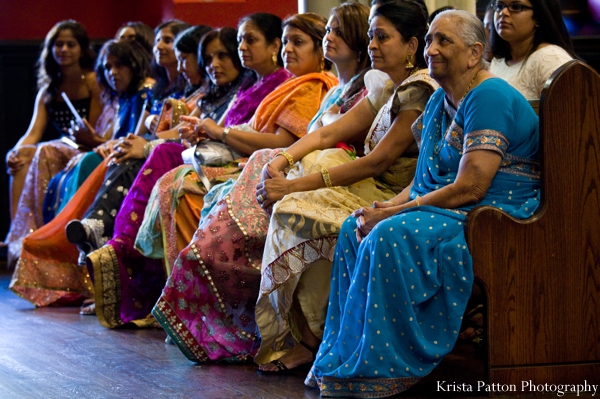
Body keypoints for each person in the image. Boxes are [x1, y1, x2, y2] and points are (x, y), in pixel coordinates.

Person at [306, 10, 541, 398]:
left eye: (444, 41)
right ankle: (347, 357)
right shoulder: (441, 101)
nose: (431, 48)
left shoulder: (489, 96)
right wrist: (385, 207)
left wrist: (396, 214)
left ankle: (381, 369)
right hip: (454, 208)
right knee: (356, 224)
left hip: (494, 216)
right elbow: (422, 182)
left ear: (474, 53)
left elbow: (472, 186)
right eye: (430, 39)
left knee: (388, 234)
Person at [254, 0, 438, 373]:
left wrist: (292, 187)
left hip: (393, 197)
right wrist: (281, 161)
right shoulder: (388, 86)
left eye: (382, 36)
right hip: (370, 186)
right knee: (299, 193)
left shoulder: (419, 89)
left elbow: (377, 162)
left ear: (412, 46)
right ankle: (309, 335)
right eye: (371, 35)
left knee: (296, 211)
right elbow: (328, 132)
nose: (372, 44)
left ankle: (316, 337)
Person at [150, 11, 343, 362]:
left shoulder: (315, 85)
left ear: (321, 49)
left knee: (182, 184)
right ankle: (194, 311)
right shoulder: (288, 84)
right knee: (175, 182)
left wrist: (221, 134)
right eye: (286, 41)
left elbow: (286, 141)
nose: (288, 50)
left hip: (286, 168)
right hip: (262, 162)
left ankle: (212, 311)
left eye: (297, 42)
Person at [9, 39, 154, 308]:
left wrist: (98, 143)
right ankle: (51, 241)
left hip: (131, 160)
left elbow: (136, 139)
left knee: (86, 162)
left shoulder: (146, 92)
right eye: (108, 67)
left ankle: (74, 244)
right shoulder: (123, 98)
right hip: (108, 155)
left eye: (119, 65)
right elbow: (110, 139)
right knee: (44, 155)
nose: (113, 72)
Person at [3, 20, 102, 264]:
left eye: (71, 44)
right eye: (59, 44)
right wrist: (15, 152)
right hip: (63, 146)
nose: (64, 50)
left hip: (88, 147)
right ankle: (18, 233)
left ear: (82, 49)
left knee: (44, 150)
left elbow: (97, 129)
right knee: (21, 158)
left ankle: (34, 235)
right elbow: (32, 133)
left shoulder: (92, 81)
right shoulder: (49, 89)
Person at [489, 0, 575, 99]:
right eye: (499, 6)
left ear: (538, 18)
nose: (503, 12)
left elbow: (568, 111)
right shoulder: (498, 61)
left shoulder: (551, 58)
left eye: (516, 7)